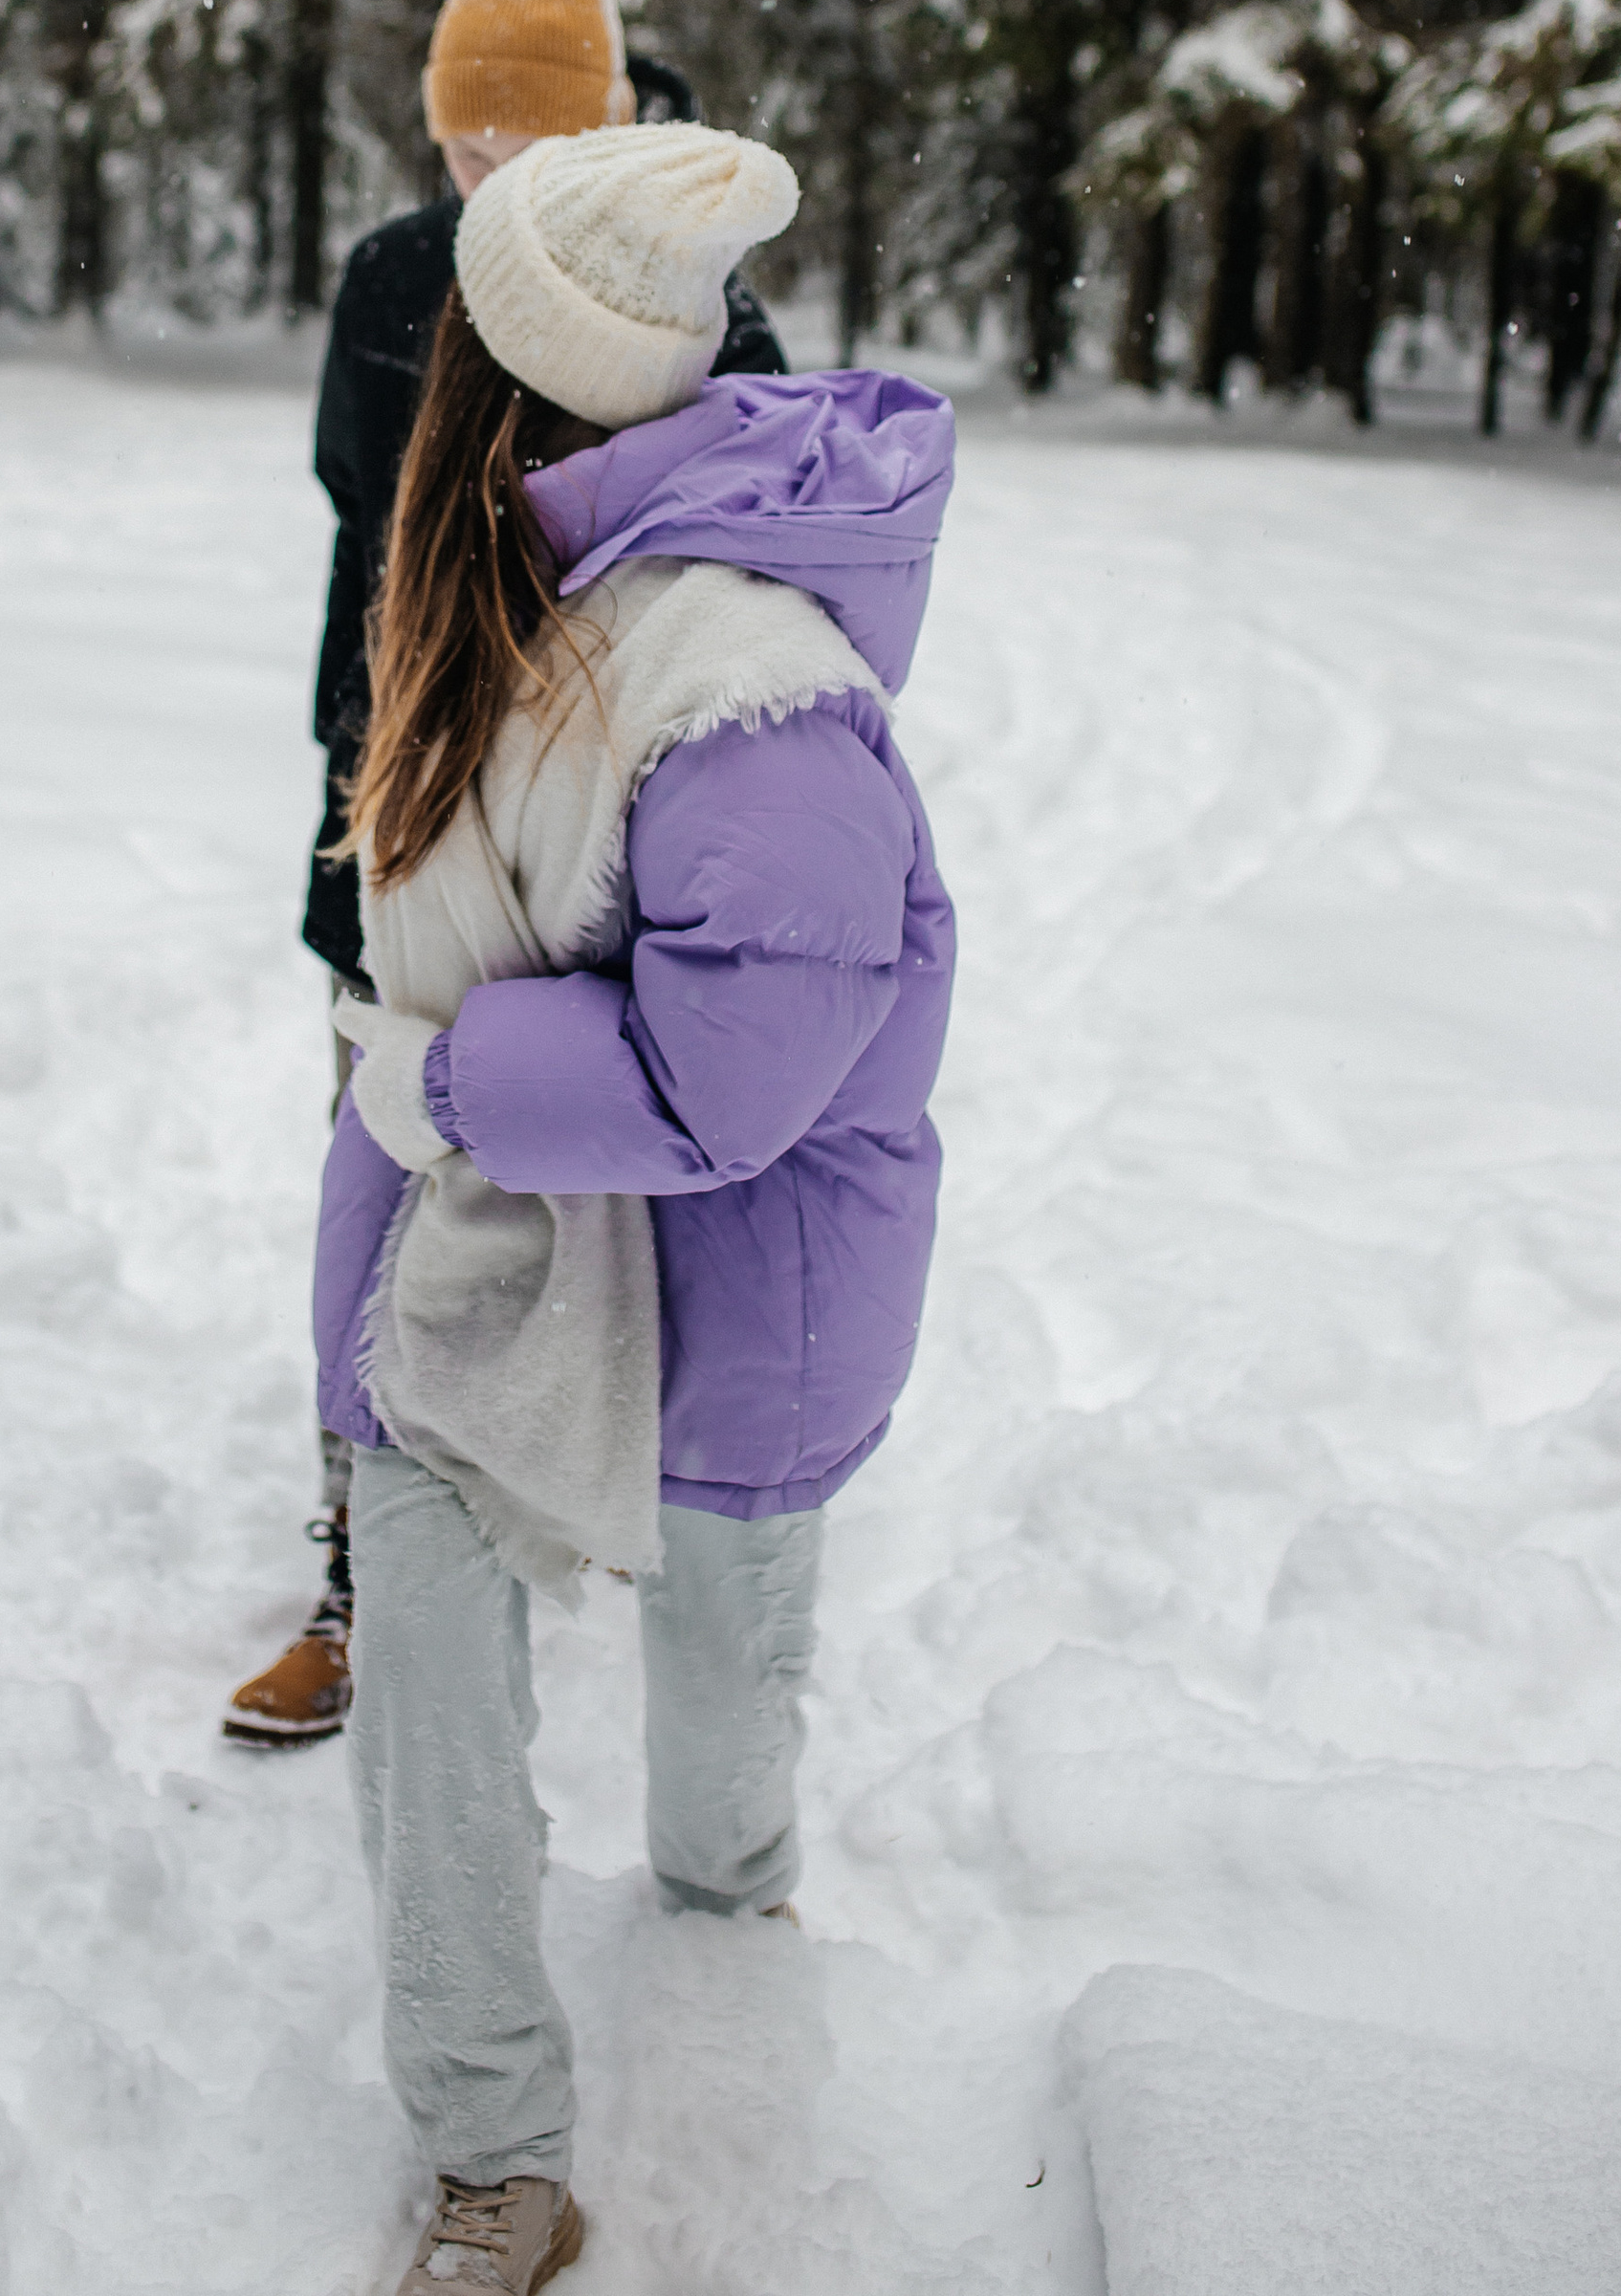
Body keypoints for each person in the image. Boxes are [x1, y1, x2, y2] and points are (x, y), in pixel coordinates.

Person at [315, 121, 955, 2296]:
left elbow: (729, 1073)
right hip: (456, 1241)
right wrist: (409, 1110)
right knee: (425, 1705)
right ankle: (495, 2146)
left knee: (713, 1717)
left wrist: (434, 1078)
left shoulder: (745, 682)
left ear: (504, 383)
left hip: (723, 1299)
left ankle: (732, 1905)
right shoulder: (501, 578)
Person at [223, 0, 782, 1748]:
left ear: (607, 122)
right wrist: (353, 799)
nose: (493, 187)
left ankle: (657, 1543)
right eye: (469, 152)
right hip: (408, 845)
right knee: (387, 1223)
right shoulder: (395, 279)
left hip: (612, 871)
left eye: (531, 151)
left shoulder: (704, 287)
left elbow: (751, 566)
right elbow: (357, 556)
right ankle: (366, 1582)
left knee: (649, 1240)